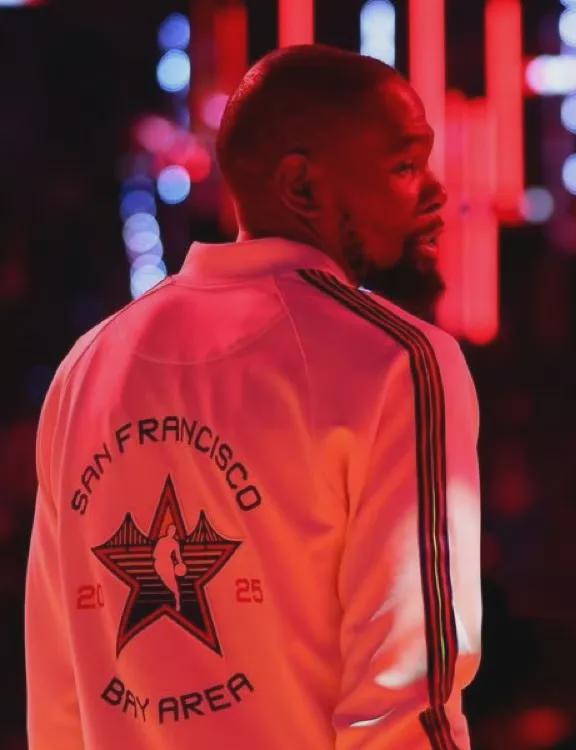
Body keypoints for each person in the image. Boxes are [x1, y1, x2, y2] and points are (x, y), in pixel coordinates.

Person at [26, 45, 481, 750]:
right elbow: (407, 700)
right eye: (403, 165)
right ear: (301, 185)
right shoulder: (397, 361)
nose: (435, 191)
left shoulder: (86, 367)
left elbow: (59, 700)